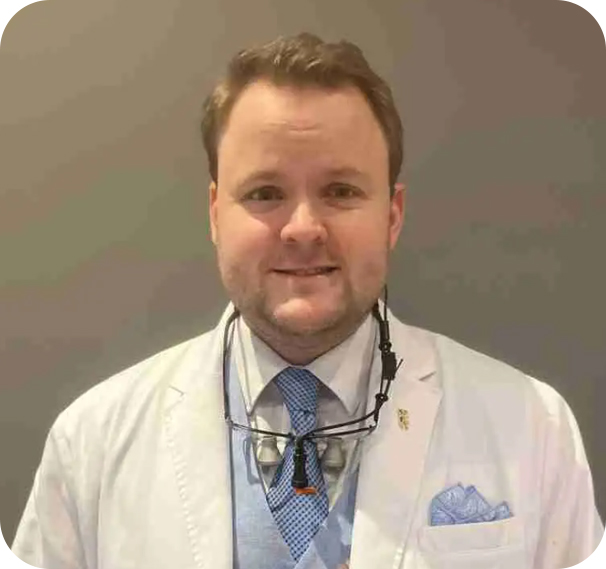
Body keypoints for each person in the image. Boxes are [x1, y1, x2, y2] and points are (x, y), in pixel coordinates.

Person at [11, 33, 603, 569]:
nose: (302, 228)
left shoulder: (531, 427)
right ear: (215, 213)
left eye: (340, 191)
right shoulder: (90, 443)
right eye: (264, 193)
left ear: (392, 216)